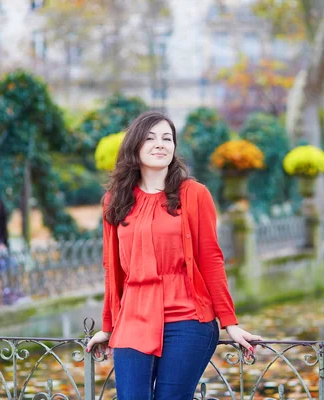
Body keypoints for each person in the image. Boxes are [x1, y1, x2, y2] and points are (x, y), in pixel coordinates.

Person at [85, 111, 262, 399]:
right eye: (151, 138)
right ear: (135, 146)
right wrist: (108, 326)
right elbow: (112, 268)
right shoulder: (114, 200)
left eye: (167, 138)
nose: (160, 144)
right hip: (133, 316)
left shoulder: (194, 194)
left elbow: (211, 259)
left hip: (187, 317)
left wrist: (229, 322)